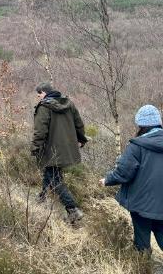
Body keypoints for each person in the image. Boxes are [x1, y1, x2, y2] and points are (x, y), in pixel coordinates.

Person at [100, 105, 163, 252]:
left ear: (140, 125)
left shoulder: (136, 145)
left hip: (141, 204)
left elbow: (124, 172)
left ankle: (143, 267)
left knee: (142, 242)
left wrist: (107, 180)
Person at [31, 82, 87, 224]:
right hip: (67, 148)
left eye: (39, 95)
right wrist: (82, 139)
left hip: (51, 150)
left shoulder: (43, 107)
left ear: (44, 92)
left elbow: (40, 131)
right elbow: (79, 124)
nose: (39, 98)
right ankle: (41, 197)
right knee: (50, 173)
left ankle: (73, 209)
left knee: (55, 179)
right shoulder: (69, 104)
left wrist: (35, 148)